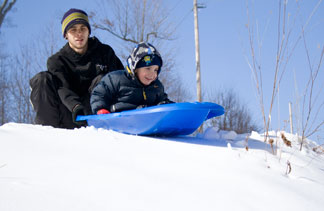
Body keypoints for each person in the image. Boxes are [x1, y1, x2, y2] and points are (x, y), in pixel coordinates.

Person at [29, 8, 124, 129]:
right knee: (42, 79)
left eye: (82, 29)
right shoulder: (57, 61)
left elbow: (121, 79)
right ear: (66, 35)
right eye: (73, 30)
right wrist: (76, 107)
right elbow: (63, 89)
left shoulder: (104, 52)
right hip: (69, 113)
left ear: (88, 31)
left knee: (105, 79)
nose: (79, 33)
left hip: (99, 114)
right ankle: (47, 133)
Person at [90, 42, 173, 115]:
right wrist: (100, 109)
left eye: (156, 70)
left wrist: (169, 108)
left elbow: (163, 101)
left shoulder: (157, 86)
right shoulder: (116, 79)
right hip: (118, 120)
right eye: (148, 68)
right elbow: (99, 94)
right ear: (135, 68)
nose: (152, 74)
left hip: (145, 122)